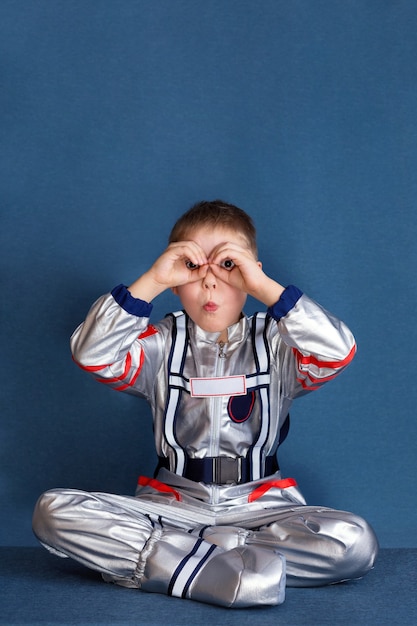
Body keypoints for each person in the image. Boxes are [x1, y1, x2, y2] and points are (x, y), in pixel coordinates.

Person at [33, 200, 378, 608]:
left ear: (251, 275)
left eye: (229, 266)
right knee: (52, 511)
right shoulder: (161, 345)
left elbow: (338, 351)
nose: (210, 283)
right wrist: (153, 279)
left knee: (353, 542)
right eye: (194, 269)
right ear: (176, 283)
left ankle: (185, 561)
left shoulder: (279, 344)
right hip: (173, 509)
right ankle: (224, 567)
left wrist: (266, 288)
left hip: (260, 509)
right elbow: (93, 354)